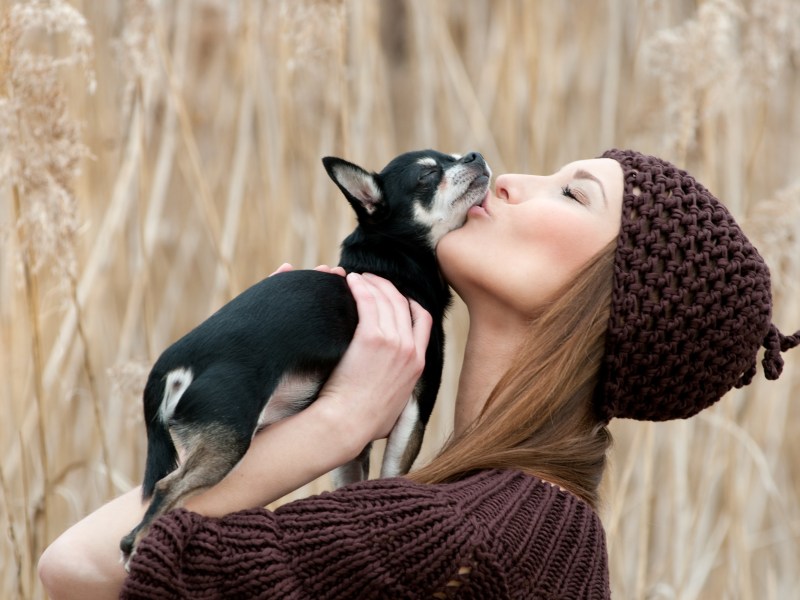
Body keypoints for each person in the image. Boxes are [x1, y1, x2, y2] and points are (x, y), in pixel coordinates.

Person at [38, 150, 799, 599]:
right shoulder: (543, 531)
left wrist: (336, 426)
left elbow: (79, 570)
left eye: (573, 193)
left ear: (611, 301)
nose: (509, 178)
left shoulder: (459, 537)